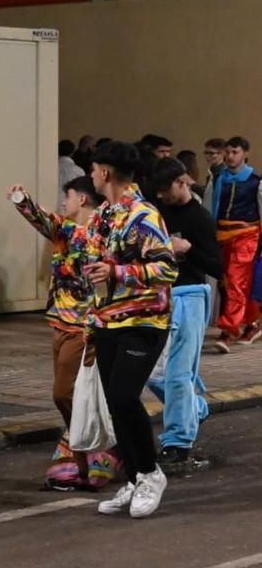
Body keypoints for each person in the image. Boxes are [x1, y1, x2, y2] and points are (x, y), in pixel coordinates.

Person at [84, 141, 177, 519]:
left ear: (105, 172)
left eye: (93, 169)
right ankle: (135, 475)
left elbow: (167, 269)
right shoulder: (103, 216)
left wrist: (119, 272)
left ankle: (152, 473)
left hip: (144, 321)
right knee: (115, 405)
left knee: (124, 397)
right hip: (108, 320)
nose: (91, 176)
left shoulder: (143, 216)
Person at [9, 176, 112, 491]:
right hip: (59, 324)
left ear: (82, 199)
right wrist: (21, 199)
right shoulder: (64, 231)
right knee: (74, 397)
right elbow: (41, 218)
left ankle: (93, 452)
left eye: (66, 197)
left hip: (86, 327)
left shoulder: (102, 232)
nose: (62, 204)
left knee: (64, 394)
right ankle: (88, 454)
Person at [148, 158, 224, 471]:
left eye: (167, 190)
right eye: (159, 193)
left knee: (179, 375)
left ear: (183, 182)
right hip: (156, 296)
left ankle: (177, 442)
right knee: (152, 372)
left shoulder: (200, 218)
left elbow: (217, 268)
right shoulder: (154, 211)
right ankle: (195, 407)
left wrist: (187, 249)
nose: (163, 196)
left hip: (189, 296)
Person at [210, 136, 262, 353]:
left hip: (247, 235)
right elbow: (211, 207)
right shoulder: (219, 179)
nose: (231, 157)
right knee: (229, 282)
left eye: (235, 152)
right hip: (222, 235)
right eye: (228, 152)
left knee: (236, 281)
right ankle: (252, 322)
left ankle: (229, 329)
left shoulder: (256, 182)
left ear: (245, 154)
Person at [57, 140, 86, 211]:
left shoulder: (50, 169)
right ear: (73, 152)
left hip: (51, 202)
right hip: (71, 205)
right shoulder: (78, 170)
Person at [203, 138, 227, 210]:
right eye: (206, 153)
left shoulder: (224, 174)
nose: (207, 156)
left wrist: (193, 185)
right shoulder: (211, 174)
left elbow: (215, 196)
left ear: (223, 154)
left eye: (211, 153)